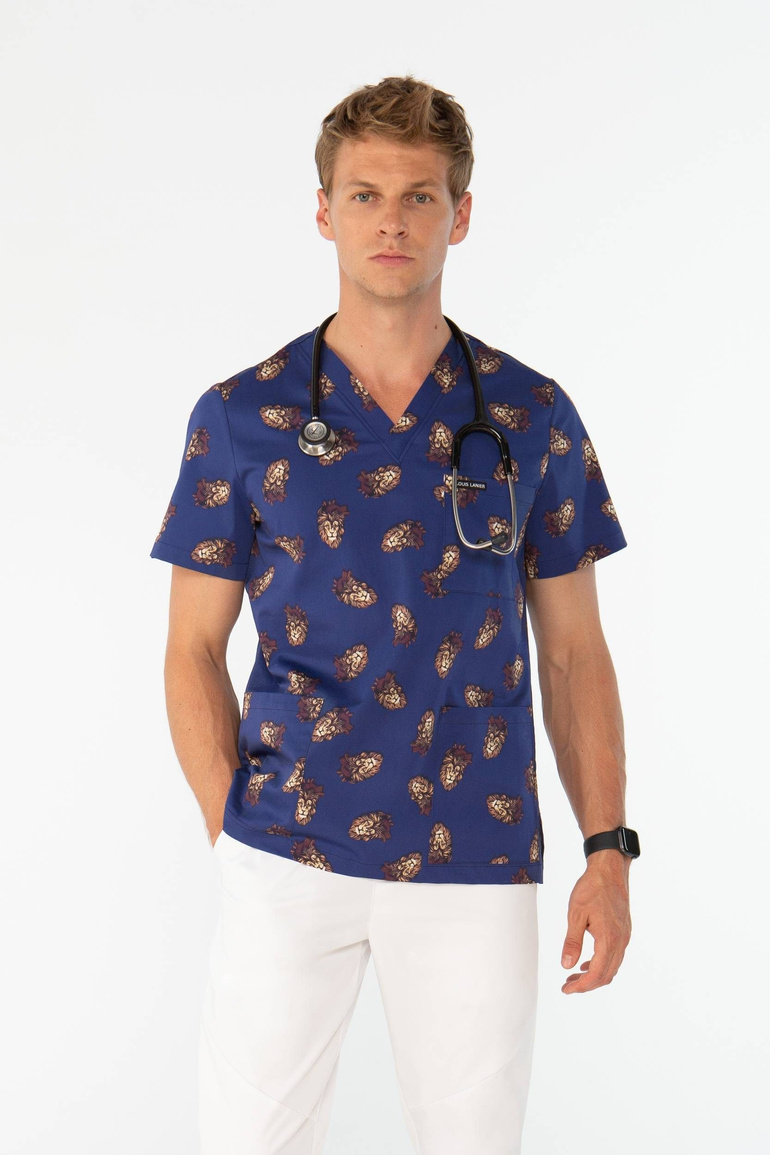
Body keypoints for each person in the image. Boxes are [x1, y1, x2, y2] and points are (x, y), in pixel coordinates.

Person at [149, 74, 638, 1155]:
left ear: (459, 216)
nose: (392, 221)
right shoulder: (242, 415)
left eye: (420, 196)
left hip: (476, 853)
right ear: (323, 211)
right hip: (285, 847)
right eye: (365, 194)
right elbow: (191, 647)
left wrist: (607, 848)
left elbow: (573, 654)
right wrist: (234, 832)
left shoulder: (530, 415)